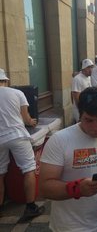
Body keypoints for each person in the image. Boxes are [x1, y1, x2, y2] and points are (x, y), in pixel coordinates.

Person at [39, 87, 97, 231]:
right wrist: (77, 189)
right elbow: (45, 188)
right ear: (79, 115)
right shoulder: (59, 140)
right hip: (69, 227)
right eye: (88, 120)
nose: (95, 127)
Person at [0, 68, 45, 222]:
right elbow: (26, 118)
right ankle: (30, 207)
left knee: (0, 173)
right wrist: (31, 122)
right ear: (5, 81)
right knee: (28, 168)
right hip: (17, 135)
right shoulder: (17, 93)